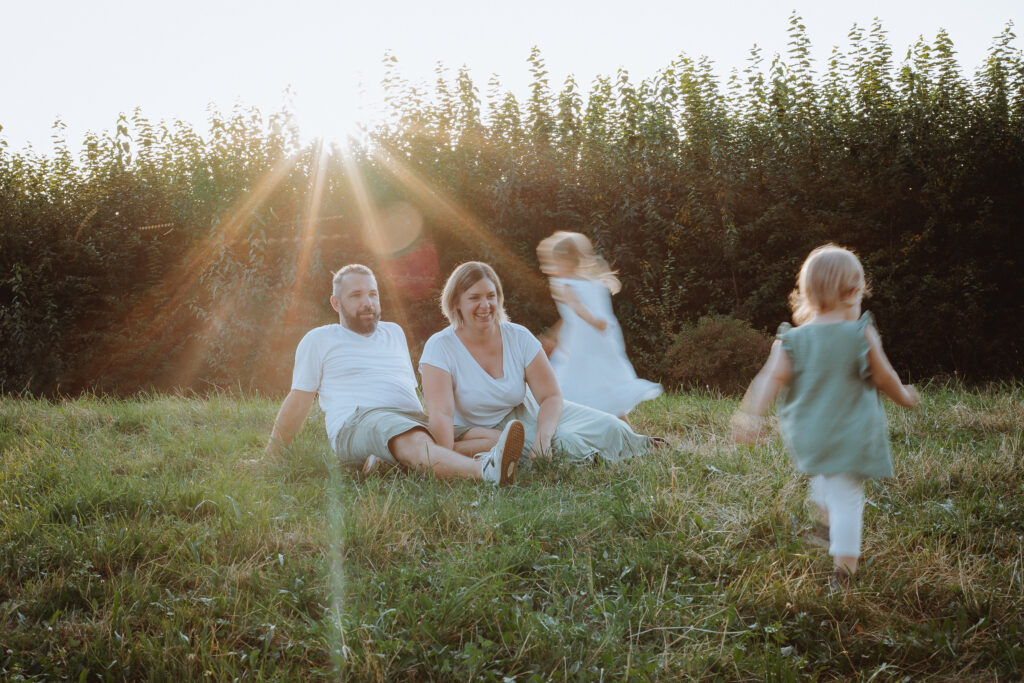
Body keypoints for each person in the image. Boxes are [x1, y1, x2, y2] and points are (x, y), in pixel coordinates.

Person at [732, 244, 919, 591]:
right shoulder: (859, 333)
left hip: (810, 437)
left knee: (827, 482)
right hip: (851, 436)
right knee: (848, 499)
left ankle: (825, 520)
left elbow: (768, 379)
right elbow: (884, 377)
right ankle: (843, 575)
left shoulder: (791, 340)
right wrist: (905, 397)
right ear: (852, 293)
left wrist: (750, 417)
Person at [260, 264, 524, 486]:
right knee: (416, 439)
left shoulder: (394, 332)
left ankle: (395, 465)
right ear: (335, 303)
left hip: (411, 418)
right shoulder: (319, 339)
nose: (368, 303)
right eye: (356, 296)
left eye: (373, 294)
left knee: (493, 438)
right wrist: (270, 456)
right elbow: (298, 400)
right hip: (358, 420)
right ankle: (485, 472)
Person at [419, 261, 649, 465]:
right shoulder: (440, 347)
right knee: (568, 446)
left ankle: (635, 447)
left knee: (614, 428)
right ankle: (478, 449)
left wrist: (542, 438)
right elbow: (442, 414)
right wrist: (446, 455)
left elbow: (550, 396)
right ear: (456, 302)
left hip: (530, 410)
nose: (485, 305)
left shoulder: (519, 336)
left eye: (491, 296)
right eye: (474, 298)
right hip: (481, 429)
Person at [537, 231, 662, 420]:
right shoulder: (593, 282)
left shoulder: (562, 284)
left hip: (581, 345)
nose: (553, 266)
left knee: (571, 386)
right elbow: (570, 316)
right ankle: (625, 432)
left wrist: (593, 321)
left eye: (556, 261)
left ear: (566, 262)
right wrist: (553, 335)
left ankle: (572, 426)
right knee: (604, 388)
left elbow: (577, 307)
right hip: (602, 342)